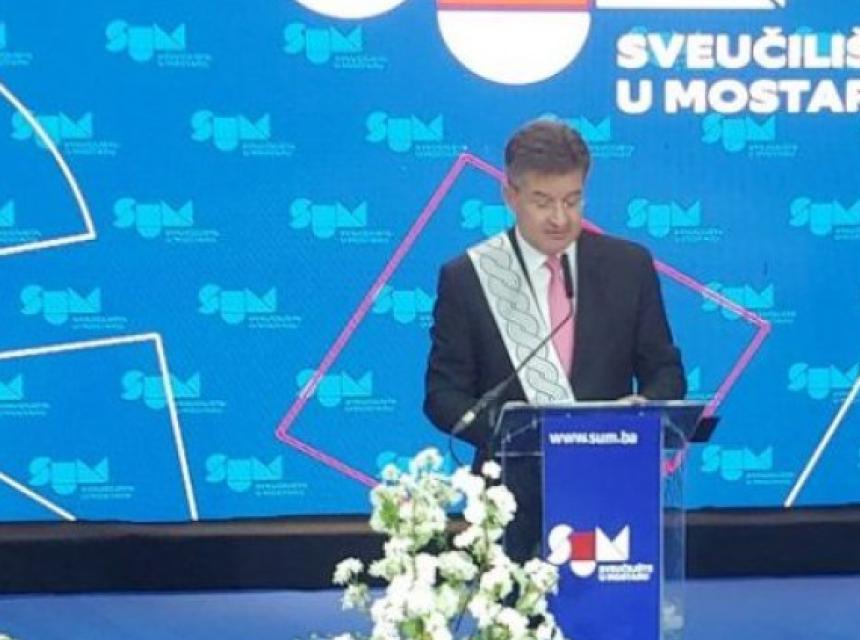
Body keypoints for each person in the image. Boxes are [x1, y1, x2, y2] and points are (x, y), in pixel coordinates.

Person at [423, 119, 686, 557]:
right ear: (510, 196)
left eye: (572, 200)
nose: (560, 218)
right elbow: (443, 396)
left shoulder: (629, 267)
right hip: (508, 502)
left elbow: (666, 373)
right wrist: (519, 435)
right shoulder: (468, 277)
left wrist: (643, 408)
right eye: (542, 202)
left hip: (610, 490)